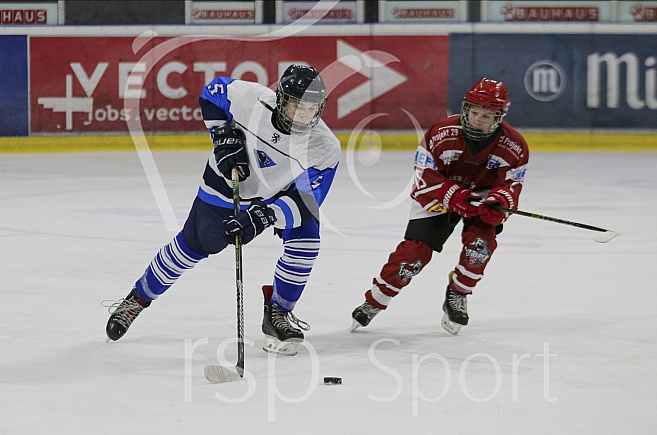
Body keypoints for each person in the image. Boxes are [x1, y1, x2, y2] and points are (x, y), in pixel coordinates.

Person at [105, 64, 341, 356]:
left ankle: (278, 313)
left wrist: (265, 216)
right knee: (191, 246)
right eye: (297, 107)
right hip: (225, 182)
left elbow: (306, 203)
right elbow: (211, 92)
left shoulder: (324, 146)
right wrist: (222, 135)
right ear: (281, 100)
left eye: (311, 109)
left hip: (278, 194)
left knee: (307, 240)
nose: (305, 116)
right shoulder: (251, 99)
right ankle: (137, 299)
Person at [351, 78, 529, 335]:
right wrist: (454, 197)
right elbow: (423, 178)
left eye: (486, 115)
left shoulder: (514, 146)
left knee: (480, 246)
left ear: (499, 117)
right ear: (466, 108)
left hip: (481, 198)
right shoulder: (441, 132)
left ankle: (458, 293)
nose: (478, 120)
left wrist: (500, 202)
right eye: (474, 112)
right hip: (439, 194)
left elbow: (512, 185)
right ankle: (375, 301)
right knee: (413, 255)